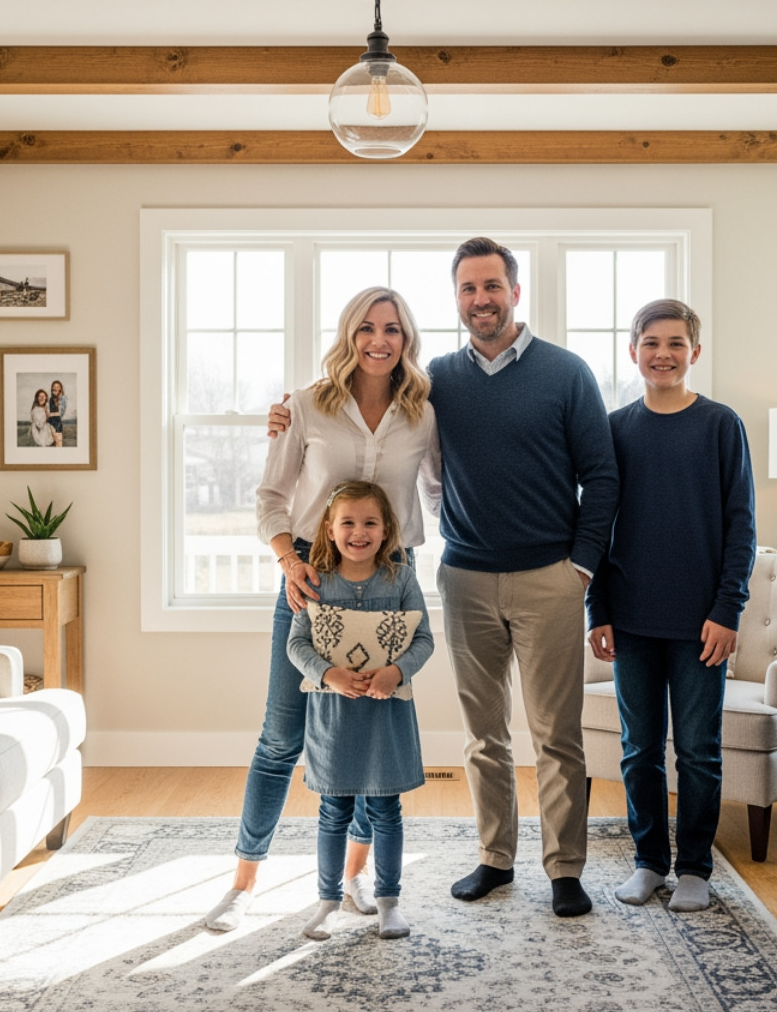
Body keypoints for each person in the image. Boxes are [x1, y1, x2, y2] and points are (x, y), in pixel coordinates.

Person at [267, 238, 618, 918]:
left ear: (515, 292)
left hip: (550, 574)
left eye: (492, 286)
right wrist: (282, 414)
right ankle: (495, 858)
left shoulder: (567, 373)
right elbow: (376, 434)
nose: (481, 299)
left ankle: (565, 869)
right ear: (455, 300)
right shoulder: (436, 385)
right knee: (483, 734)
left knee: (556, 733)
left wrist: (581, 564)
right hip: (465, 575)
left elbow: (600, 475)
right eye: (467, 289)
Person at [203, 286, 439, 934]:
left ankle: (356, 876)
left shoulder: (423, 413)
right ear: (348, 334)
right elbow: (270, 497)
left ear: (407, 338)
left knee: (369, 735)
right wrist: (288, 560)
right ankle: (243, 885)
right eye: (366, 327)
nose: (378, 340)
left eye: (392, 328)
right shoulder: (306, 406)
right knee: (281, 737)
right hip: (311, 570)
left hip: (392, 577)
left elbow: (444, 490)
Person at [585, 299, 756, 913]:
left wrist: (728, 609)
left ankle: (695, 869)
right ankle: (650, 861)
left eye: (675, 343)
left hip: (701, 623)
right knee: (639, 748)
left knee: (698, 750)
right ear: (633, 351)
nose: (663, 353)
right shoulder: (613, 428)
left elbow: (742, 526)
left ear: (695, 353)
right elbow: (596, 526)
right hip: (629, 619)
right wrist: (596, 609)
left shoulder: (720, 425)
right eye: (651, 342)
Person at [288, 480, 431, 942]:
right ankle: (328, 902)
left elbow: (424, 639)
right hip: (334, 719)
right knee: (333, 812)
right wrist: (329, 674)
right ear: (329, 530)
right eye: (347, 523)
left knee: (387, 810)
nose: (359, 532)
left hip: (386, 715)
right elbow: (296, 643)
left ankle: (389, 902)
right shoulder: (317, 581)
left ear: (387, 529)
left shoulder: (402, 579)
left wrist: (398, 671)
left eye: (370, 522)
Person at [48, 379, 68, 446]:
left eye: (58, 386)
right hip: (50, 423)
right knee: (52, 444)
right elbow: (49, 410)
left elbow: (60, 413)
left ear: (61, 388)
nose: (56, 388)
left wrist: (50, 414)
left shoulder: (63, 398)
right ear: (52, 388)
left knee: (59, 444)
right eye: (54, 386)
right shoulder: (51, 399)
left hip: (57, 424)